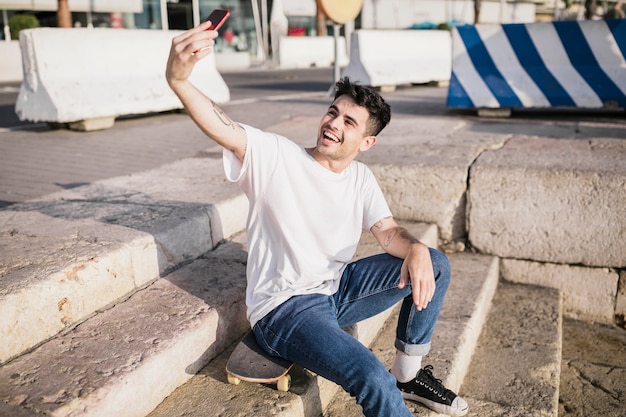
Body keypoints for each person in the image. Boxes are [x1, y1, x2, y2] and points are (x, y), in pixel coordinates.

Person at [165, 20, 469, 417]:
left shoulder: (360, 177)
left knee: (435, 263)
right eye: (332, 112)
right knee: (370, 376)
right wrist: (180, 81)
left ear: (367, 142)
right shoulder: (277, 156)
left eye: (349, 122)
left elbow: (388, 231)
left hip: (335, 291)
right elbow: (227, 129)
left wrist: (414, 249)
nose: (333, 124)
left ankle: (409, 375)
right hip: (286, 309)